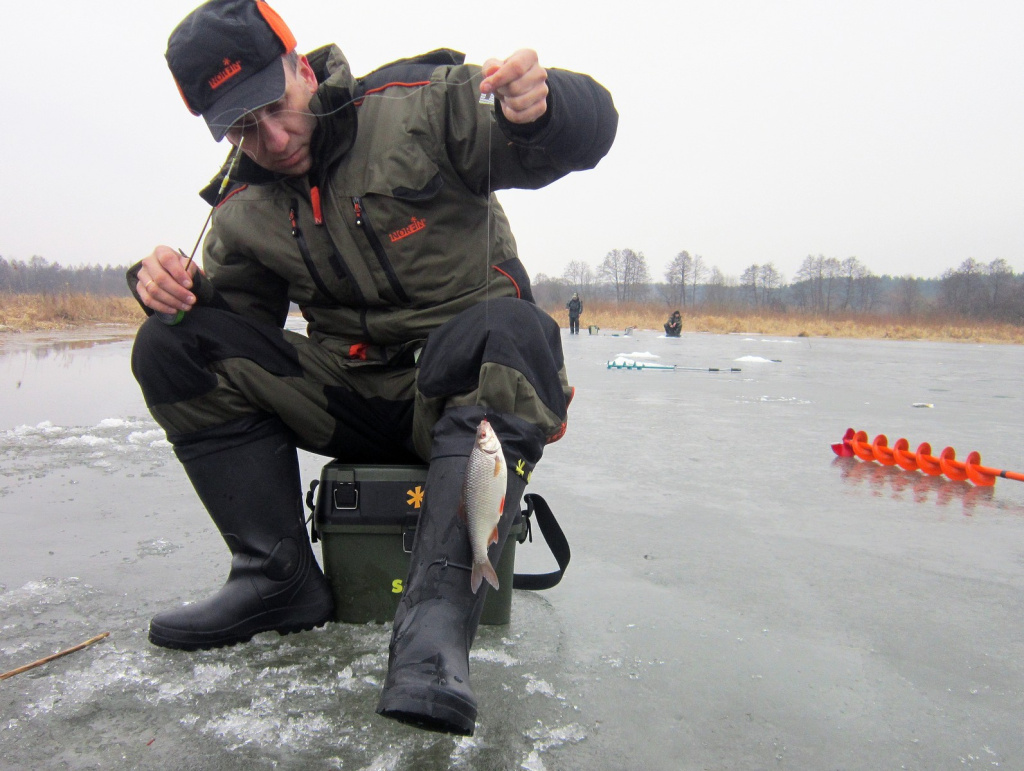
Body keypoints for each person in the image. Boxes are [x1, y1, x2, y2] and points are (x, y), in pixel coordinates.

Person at [127, 0, 616, 737]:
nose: (271, 138)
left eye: (273, 107)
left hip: (465, 388)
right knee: (172, 344)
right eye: (239, 128)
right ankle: (275, 577)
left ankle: (433, 632)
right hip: (350, 397)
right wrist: (162, 288)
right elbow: (239, 331)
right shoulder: (242, 203)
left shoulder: (421, 107)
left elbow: (582, 137)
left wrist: (547, 108)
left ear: (297, 66)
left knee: (514, 329)